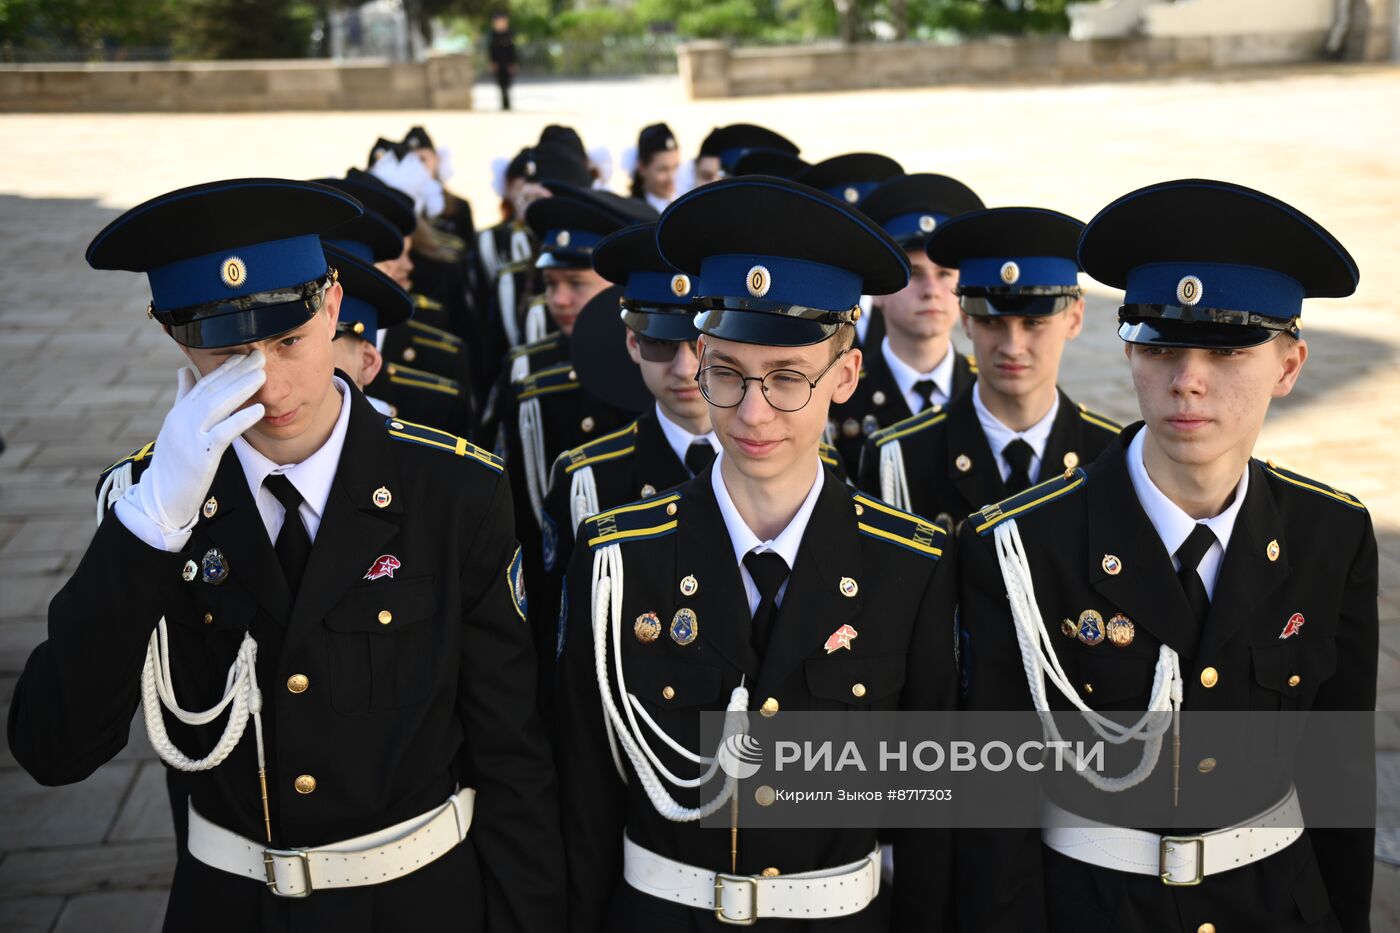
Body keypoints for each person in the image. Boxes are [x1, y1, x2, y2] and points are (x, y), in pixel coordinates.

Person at [7, 179, 565, 931]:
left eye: (288, 341)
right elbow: (55, 745)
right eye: (230, 353)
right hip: (233, 904)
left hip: (415, 900)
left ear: (332, 306)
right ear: (178, 342)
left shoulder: (453, 488)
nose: (267, 383)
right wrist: (153, 527)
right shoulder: (150, 503)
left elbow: (510, 749)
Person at [955, 179, 1376, 932]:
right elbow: (996, 818)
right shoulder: (1018, 549)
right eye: (1164, 346)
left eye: (1225, 350)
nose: (1188, 381)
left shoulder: (1328, 535)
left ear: (1288, 366)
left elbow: (1338, 781)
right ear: (1128, 350)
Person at [554, 175, 956, 931]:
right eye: (728, 374)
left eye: (786, 379)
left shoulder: (911, 568)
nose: (752, 412)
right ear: (699, 357)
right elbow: (583, 798)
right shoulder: (616, 559)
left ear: (845, 375)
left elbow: (930, 820)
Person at [856, 207, 1121, 533]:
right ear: (966, 319)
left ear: (1075, 318)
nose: (1012, 346)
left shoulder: (1112, 456)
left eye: (1034, 323)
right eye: (991, 321)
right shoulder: (901, 460)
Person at [827, 172, 983, 468]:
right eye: (916, 275)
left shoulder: (987, 389)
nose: (932, 292)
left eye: (945, 275)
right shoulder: (840, 394)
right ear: (880, 293)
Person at [628, 122, 682, 212]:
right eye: (663, 169)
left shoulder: (685, 207)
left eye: (675, 167)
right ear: (642, 167)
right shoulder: (631, 213)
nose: (671, 177)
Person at [487, 12, 517, 112]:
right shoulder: (493, 35)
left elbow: (513, 50)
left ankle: (507, 104)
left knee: (507, 84)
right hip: (498, 63)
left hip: (507, 63)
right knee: (501, 84)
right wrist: (493, 62)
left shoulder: (509, 34)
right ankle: (503, 104)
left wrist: (513, 63)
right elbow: (491, 50)